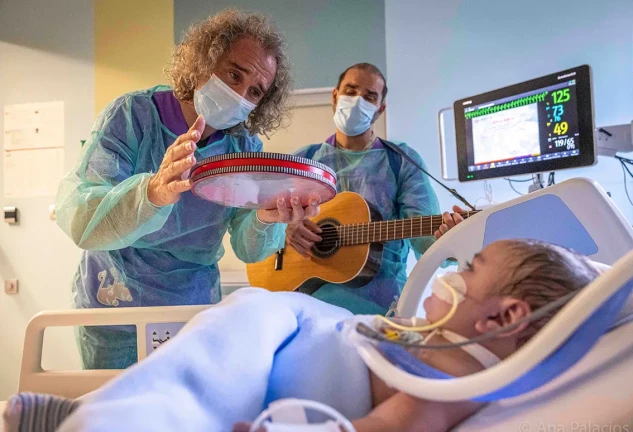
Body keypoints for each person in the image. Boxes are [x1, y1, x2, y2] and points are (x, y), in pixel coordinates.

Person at [48, 239, 604, 432]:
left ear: (502, 319)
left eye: (470, 269)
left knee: (216, 358)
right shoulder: (436, 337)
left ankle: (108, 420)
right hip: (296, 324)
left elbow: (389, 425)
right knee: (226, 330)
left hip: (297, 355)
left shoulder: (456, 377)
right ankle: (94, 410)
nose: (452, 274)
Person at [54, 10, 316, 370]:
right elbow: (83, 220)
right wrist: (152, 192)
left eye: (254, 91)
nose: (240, 93)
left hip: (190, 308)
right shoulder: (133, 117)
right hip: (114, 306)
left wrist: (264, 219)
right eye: (233, 74)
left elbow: (247, 247)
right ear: (203, 62)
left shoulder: (243, 150)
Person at [286, 63, 465, 315]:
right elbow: (262, 223)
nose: (358, 100)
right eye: (350, 91)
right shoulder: (303, 161)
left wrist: (451, 239)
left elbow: (424, 236)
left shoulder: (401, 161)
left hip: (381, 310)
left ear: (379, 110)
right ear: (335, 96)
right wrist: (286, 230)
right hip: (305, 303)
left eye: (369, 97)